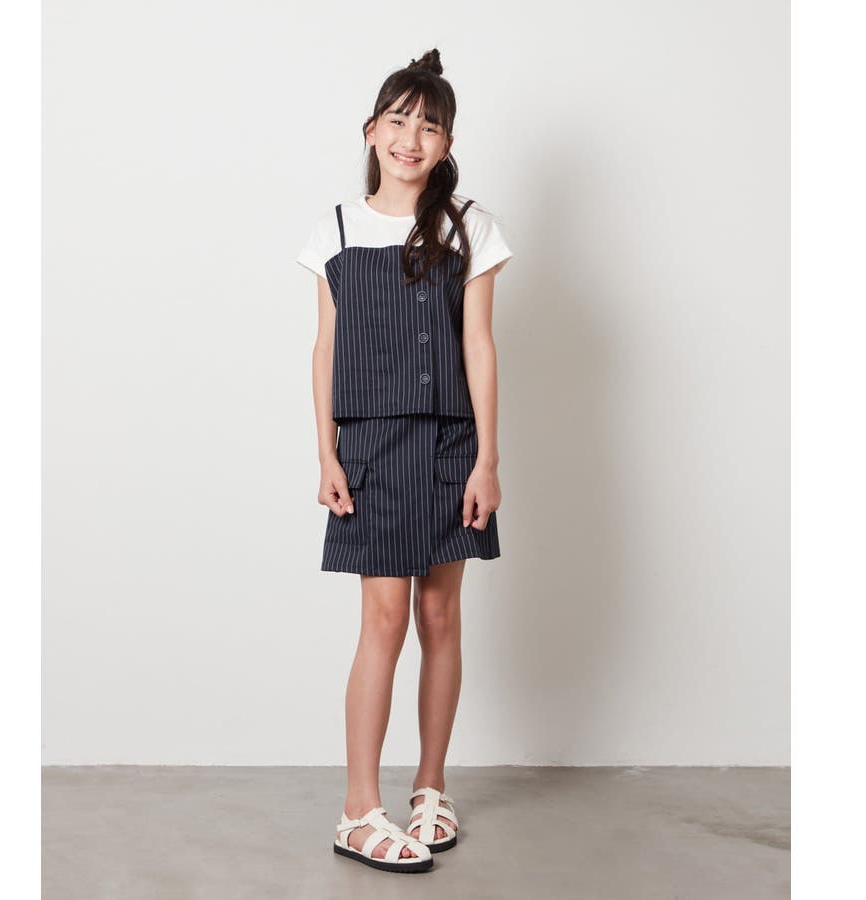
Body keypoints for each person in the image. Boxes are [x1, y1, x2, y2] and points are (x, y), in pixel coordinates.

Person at [295, 48, 514, 874]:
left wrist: (487, 459)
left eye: (429, 126)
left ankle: (430, 787)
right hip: (374, 447)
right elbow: (325, 349)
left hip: (452, 444)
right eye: (399, 120)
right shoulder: (336, 230)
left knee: (441, 615)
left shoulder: (469, 227)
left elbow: (479, 346)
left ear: (447, 142)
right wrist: (326, 451)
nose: (411, 138)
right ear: (371, 130)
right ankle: (359, 809)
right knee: (383, 620)